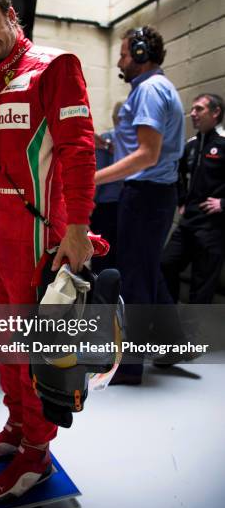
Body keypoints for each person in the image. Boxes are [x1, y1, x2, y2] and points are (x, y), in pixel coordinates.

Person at [0, 0, 95, 501]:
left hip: (40, 233)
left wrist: (77, 230)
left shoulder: (54, 67)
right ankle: (15, 429)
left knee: (38, 348)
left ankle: (38, 450)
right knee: (2, 342)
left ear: (11, 15)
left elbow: (79, 153)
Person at [94, 26, 185, 385]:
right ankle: (173, 343)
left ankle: (128, 367)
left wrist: (94, 180)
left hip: (146, 194)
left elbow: (147, 154)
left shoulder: (149, 90)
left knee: (134, 279)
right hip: (152, 195)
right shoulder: (153, 89)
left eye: (124, 54)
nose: (120, 60)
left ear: (143, 54)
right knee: (145, 272)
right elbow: (131, 139)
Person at [159, 93, 225, 304]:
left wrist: (223, 203)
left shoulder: (223, 144)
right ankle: (172, 319)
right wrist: (181, 200)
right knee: (166, 263)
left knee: (201, 284)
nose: (193, 114)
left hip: (212, 227)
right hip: (188, 222)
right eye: (193, 109)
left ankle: (194, 334)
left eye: (199, 109)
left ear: (216, 113)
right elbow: (177, 173)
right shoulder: (192, 145)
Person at [91, 102, 124, 273]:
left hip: (105, 208)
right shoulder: (136, 141)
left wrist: (89, 205)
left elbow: (98, 176)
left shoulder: (107, 138)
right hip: (126, 204)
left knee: (102, 256)